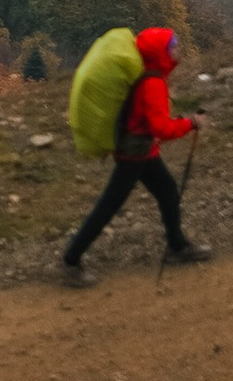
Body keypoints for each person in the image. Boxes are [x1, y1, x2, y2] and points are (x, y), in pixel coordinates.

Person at [61, 23, 210, 283]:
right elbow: (161, 127)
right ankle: (70, 261)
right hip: (135, 154)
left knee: (167, 190)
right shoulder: (152, 83)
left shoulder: (150, 76)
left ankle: (178, 246)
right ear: (160, 53)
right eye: (172, 46)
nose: (177, 49)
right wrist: (191, 123)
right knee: (110, 205)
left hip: (141, 150)